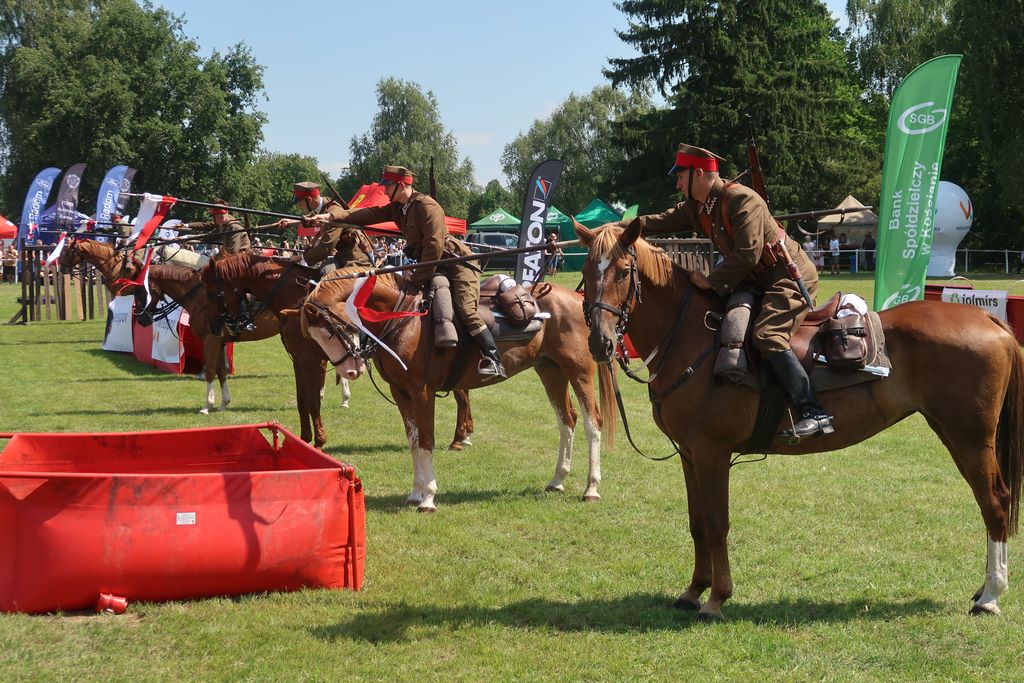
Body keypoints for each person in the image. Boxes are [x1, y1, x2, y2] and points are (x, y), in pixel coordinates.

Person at [625, 143, 832, 438]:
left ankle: (813, 410)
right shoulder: (699, 207)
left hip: (784, 277)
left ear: (698, 174)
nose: (677, 182)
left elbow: (748, 253)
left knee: (766, 335)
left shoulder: (742, 200)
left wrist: (711, 280)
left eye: (680, 176)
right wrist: (613, 229)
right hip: (752, 279)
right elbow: (657, 221)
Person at [305, 165, 506, 380]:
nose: (384, 190)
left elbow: (434, 247)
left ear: (401, 185)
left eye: (387, 186)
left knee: (466, 310)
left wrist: (418, 278)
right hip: (433, 266)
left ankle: (493, 359)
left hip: (457, 265)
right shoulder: (398, 208)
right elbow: (365, 214)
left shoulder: (427, 206)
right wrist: (329, 217)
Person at [279, 182, 373, 271]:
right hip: (342, 256)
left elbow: (326, 247)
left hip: (355, 258)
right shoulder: (324, 206)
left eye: (300, 202)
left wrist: (301, 257)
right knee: (324, 268)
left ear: (309, 200)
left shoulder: (333, 212)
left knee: (327, 273)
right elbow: (311, 219)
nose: (299, 205)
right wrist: (289, 222)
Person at [180, 199, 251, 254]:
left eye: (218, 216)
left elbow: (232, 253)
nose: (215, 219)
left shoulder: (234, 228)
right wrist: (185, 238)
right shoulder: (223, 226)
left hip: (240, 263)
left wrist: (214, 260)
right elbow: (207, 237)